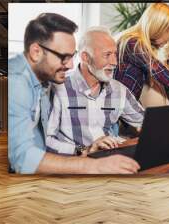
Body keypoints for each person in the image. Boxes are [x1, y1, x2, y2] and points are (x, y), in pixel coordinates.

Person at [8, 13, 139, 174]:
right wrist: (92, 161)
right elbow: (23, 157)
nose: (70, 65)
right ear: (36, 52)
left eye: (72, 57)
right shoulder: (19, 83)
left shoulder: (42, 84)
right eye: (64, 57)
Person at [46, 26, 144, 156]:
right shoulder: (58, 88)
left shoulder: (119, 89)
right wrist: (85, 149)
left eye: (115, 55)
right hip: (75, 162)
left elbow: (145, 121)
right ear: (85, 57)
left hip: (110, 159)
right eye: (107, 55)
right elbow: (45, 140)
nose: (115, 62)